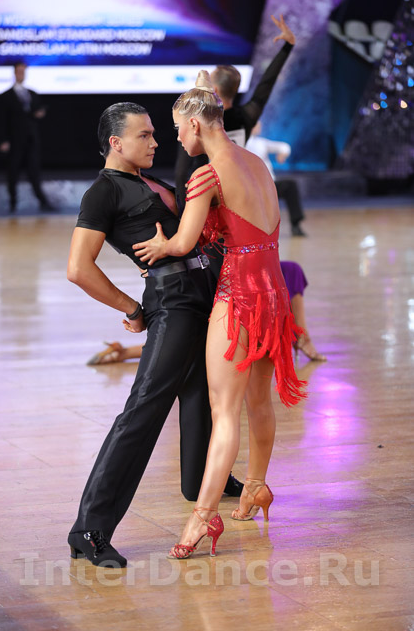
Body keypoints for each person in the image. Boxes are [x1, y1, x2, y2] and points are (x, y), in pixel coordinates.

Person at [133, 71, 307, 559]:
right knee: (258, 404)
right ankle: (255, 487)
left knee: (224, 411)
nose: (176, 138)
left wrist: (161, 245)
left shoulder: (207, 175)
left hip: (238, 296)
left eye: (177, 128)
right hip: (274, 294)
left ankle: (203, 516)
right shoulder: (256, 163)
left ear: (194, 123)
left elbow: (184, 242)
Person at [66, 102, 240, 569]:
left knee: (202, 394)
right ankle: (89, 530)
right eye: (144, 135)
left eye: (155, 133)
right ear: (116, 143)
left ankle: (202, 482)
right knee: (143, 411)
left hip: (206, 293)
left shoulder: (152, 181)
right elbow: (78, 268)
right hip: (173, 301)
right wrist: (131, 308)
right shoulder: (103, 192)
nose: (155, 142)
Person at [174, 15, 306, 237]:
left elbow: (181, 172)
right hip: (237, 194)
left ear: (214, 90)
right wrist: (287, 47)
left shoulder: (201, 120)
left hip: (208, 196)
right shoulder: (246, 116)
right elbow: (266, 84)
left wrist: (181, 218)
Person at [87, 261, 326, 364]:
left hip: (234, 263)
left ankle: (299, 336)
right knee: (200, 339)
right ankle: (126, 352)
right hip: (216, 269)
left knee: (290, 270)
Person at [0, 62, 54, 213]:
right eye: (19, 71)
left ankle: (42, 202)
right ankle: (13, 203)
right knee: (13, 172)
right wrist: (3, 140)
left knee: (34, 171)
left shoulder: (32, 94)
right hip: (14, 139)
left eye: (23, 71)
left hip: (31, 139)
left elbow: (36, 111)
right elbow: (1, 119)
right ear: (14, 73)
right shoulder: (6, 96)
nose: (21, 74)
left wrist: (39, 113)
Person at [246, 121, 307, 236]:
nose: (259, 126)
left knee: (290, 186)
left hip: (270, 185)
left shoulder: (261, 143)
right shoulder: (242, 144)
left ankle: (296, 225)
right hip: (253, 187)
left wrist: (283, 154)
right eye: (256, 123)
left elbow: (284, 147)